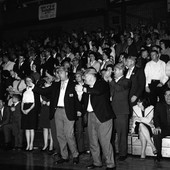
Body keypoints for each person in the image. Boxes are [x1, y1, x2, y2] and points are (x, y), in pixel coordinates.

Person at [33, 66, 81, 165]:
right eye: (58, 73)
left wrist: (79, 109)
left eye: (61, 72)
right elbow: (44, 92)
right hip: (57, 111)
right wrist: (33, 87)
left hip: (69, 112)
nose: (59, 74)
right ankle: (64, 156)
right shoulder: (56, 84)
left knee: (69, 135)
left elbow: (78, 99)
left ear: (66, 73)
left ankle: (75, 155)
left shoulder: (73, 84)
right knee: (60, 135)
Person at [75, 67, 116, 170]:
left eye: (86, 76)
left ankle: (110, 165)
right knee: (93, 142)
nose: (84, 79)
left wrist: (83, 89)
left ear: (92, 76)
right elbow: (82, 102)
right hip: (90, 116)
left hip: (103, 116)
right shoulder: (86, 87)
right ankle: (97, 162)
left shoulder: (101, 84)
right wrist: (80, 94)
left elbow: (97, 91)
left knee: (105, 142)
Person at [110, 63, 131, 161]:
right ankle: (112, 152)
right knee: (111, 134)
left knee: (122, 133)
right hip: (111, 111)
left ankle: (123, 153)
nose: (114, 72)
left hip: (121, 111)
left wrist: (110, 80)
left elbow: (118, 88)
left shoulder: (126, 81)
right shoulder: (112, 82)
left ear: (121, 71)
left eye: (116, 70)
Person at [21, 76, 39, 151]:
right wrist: (22, 109)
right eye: (27, 80)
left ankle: (31, 144)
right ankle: (27, 144)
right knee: (26, 128)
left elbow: (36, 102)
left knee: (31, 128)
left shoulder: (35, 89)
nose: (28, 82)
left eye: (30, 80)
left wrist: (29, 110)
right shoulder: (24, 90)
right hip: (25, 107)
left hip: (32, 108)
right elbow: (22, 101)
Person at [153, 88, 170, 162]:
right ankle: (158, 155)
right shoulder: (159, 105)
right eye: (166, 95)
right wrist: (157, 126)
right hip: (164, 128)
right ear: (164, 96)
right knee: (156, 133)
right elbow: (156, 118)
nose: (168, 97)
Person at [39, 77, 53, 152]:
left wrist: (50, 103)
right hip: (44, 110)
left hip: (50, 110)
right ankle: (45, 145)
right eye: (45, 83)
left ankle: (51, 145)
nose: (46, 84)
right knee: (45, 128)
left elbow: (55, 100)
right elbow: (40, 100)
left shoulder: (53, 91)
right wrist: (42, 102)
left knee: (51, 128)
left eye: (48, 83)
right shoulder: (43, 91)